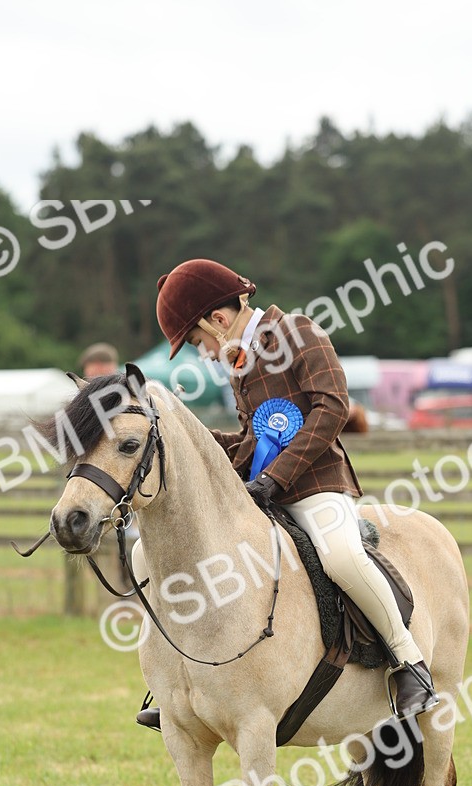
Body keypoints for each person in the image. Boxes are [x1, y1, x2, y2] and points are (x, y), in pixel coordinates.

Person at [135, 258, 438, 731]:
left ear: (218, 319)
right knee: (152, 555)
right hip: (263, 492)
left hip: (317, 485)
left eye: (197, 342)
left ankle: (408, 660)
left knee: (341, 556)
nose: (203, 355)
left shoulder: (297, 332)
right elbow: (254, 438)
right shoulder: (238, 362)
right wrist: (199, 442)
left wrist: (278, 477)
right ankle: (175, 675)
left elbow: (332, 405)